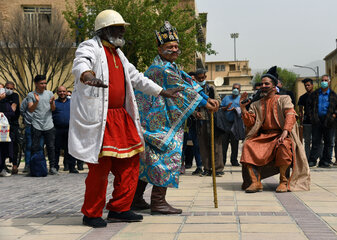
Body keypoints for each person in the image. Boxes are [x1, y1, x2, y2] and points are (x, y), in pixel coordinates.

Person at [68, 11, 183, 228]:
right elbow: (80, 63)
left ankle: (120, 208)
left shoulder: (120, 55)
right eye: (118, 27)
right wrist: (88, 75)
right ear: (105, 29)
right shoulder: (90, 46)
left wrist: (161, 92)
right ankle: (91, 213)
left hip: (122, 117)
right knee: (100, 168)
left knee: (130, 164)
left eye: (122, 28)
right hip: (101, 118)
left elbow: (137, 78)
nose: (122, 31)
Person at [132, 21, 218, 215]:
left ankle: (135, 199)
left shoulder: (172, 67)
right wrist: (205, 103)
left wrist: (207, 99)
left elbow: (190, 83)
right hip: (156, 124)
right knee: (164, 159)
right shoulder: (161, 69)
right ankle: (158, 202)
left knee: (148, 162)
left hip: (160, 121)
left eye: (176, 46)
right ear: (160, 49)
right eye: (170, 47)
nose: (174, 49)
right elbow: (185, 90)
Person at [239, 66, 310, 193]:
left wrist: (285, 131)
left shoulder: (284, 99)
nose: (264, 86)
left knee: (283, 145)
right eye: (262, 84)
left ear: (274, 85)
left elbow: (290, 114)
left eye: (267, 83)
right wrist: (243, 109)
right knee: (247, 145)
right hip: (263, 136)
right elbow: (250, 122)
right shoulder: (256, 104)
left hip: (280, 134)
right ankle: (256, 182)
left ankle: (283, 181)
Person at [194, 68, 224, 176]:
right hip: (201, 122)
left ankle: (218, 169)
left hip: (212, 120)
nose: (201, 79)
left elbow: (218, 100)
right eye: (199, 78)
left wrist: (213, 106)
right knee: (203, 146)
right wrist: (195, 113)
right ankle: (207, 168)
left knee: (216, 145)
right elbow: (191, 105)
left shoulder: (211, 87)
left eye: (203, 77)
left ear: (205, 77)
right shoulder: (194, 89)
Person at [307, 75, 337, 168]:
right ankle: (313, 160)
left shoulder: (333, 95)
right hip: (316, 120)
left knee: (329, 142)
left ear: (329, 82)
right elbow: (309, 105)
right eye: (322, 80)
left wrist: (334, 115)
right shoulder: (315, 94)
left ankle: (326, 160)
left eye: (326, 80)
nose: (324, 82)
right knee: (315, 141)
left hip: (329, 121)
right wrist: (311, 115)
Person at [27, 75, 57, 174]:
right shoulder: (31, 95)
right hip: (36, 124)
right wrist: (36, 101)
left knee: (51, 147)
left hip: (49, 124)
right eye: (41, 83)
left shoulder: (49, 93)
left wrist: (52, 103)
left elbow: (53, 109)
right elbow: (31, 109)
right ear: (36, 84)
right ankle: (34, 167)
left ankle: (52, 167)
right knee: (35, 146)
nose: (44, 85)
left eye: (45, 83)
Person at [52, 86, 78, 173]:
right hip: (57, 129)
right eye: (60, 91)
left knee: (71, 149)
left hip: (70, 129)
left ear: (67, 92)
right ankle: (55, 166)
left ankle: (71, 167)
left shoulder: (72, 102)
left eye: (63, 91)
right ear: (57, 93)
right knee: (56, 149)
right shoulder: (54, 103)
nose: (62, 93)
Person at [20, 96, 44, 173]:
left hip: (41, 126)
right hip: (30, 125)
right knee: (29, 146)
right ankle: (27, 164)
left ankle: (40, 164)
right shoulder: (27, 99)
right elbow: (22, 110)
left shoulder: (45, 97)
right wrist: (28, 119)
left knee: (40, 146)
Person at [220, 83, 241, 166]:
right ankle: (223, 161)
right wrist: (225, 108)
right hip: (225, 124)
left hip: (235, 124)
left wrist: (236, 109)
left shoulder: (240, 99)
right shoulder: (226, 98)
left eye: (237, 88)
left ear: (240, 90)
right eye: (234, 88)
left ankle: (234, 161)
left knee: (235, 144)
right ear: (232, 89)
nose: (235, 90)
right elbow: (220, 108)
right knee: (223, 144)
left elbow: (243, 110)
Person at [4, 81, 20, 174]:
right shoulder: (2, 97)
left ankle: (14, 165)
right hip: (2, 125)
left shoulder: (15, 96)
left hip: (13, 124)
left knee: (14, 145)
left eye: (11, 88)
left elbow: (13, 109)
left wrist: (4, 113)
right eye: (7, 88)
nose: (9, 90)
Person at [297, 78, 314, 161]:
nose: (307, 87)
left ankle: (318, 158)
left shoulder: (318, 96)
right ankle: (307, 159)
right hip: (307, 122)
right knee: (307, 141)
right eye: (305, 85)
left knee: (318, 142)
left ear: (312, 85)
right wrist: (301, 122)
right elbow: (300, 111)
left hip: (318, 122)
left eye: (308, 85)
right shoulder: (303, 97)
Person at [0, 83, 14, 177]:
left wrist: (2, 114)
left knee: (3, 150)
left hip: (3, 131)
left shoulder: (6, 103)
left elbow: (12, 114)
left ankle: (1, 168)